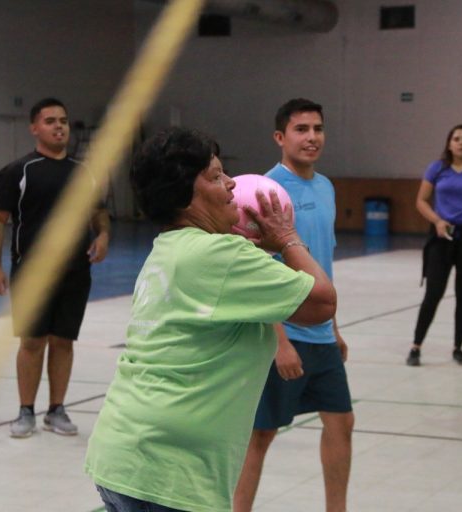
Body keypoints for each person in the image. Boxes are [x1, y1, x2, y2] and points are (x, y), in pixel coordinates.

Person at [84, 127, 337, 512]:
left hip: (127, 458)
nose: (232, 183)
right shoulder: (220, 254)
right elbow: (321, 302)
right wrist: (287, 238)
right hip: (169, 473)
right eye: (216, 176)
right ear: (185, 194)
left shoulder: (170, 250)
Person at [233, 99, 354, 512]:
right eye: (301, 129)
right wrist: (279, 341)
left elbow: (323, 263)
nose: (312, 137)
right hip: (285, 335)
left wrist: (334, 328)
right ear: (280, 137)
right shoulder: (265, 190)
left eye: (318, 129)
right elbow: (259, 273)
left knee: (341, 422)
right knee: (261, 434)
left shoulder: (326, 187)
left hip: (321, 334)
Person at [0, 97, 110, 438]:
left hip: (75, 271)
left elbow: (98, 212)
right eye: (51, 120)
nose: (59, 126)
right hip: (32, 272)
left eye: (64, 121)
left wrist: (103, 236)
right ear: (34, 128)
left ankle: (57, 410)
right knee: (32, 341)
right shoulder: (17, 172)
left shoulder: (83, 172)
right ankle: (25, 411)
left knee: (64, 341)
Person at [407, 124, 462, 367]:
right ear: (449, 143)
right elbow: (421, 200)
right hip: (442, 238)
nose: (461, 143)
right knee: (433, 292)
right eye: (456, 138)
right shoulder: (437, 169)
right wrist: (436, 220)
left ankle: (459, 347)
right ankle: (416, 345)